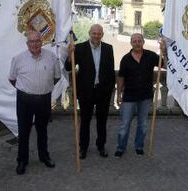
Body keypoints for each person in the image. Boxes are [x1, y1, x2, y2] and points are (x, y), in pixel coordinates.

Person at [9, 30, 61, 175]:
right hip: (24, 100)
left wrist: (43, 88)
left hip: (44, 99)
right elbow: (12, 79)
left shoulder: (51, 57)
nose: (35, 44)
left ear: (41, 41)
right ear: (27, 44)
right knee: (24, 131)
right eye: (31, 41)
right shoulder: (18, 59)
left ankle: (44, 156)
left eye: (37, 41)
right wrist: (27, 90)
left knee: (42, 130)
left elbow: (56, 77)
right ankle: (22, 160)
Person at [65, 24, 115, 159]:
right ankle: (83, 148)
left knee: (102, 121)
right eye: (94, 33)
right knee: (85, 121)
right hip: (86, 92)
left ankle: (101, 146)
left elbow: (111, 71)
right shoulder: (80, 48)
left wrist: (109, 89)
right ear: (89, 33)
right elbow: (69, 67)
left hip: (103, 92)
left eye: (99, 33)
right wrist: (70, 54)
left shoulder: (108, 49)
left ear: (102, 34)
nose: (96, 36)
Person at [114, 33, 166, 157]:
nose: (137, 43)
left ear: (143, 42)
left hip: (145, 97)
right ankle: (120, 148)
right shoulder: (125, 59)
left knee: (142, 125)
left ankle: (139, 146)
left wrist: (164, 52)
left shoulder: (151, 56)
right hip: (129, 97)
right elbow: (121, 78)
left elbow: (164, 65)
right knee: (124, 125)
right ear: (131, 43)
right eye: (134, 41)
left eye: (139, 41)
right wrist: (119, 94)